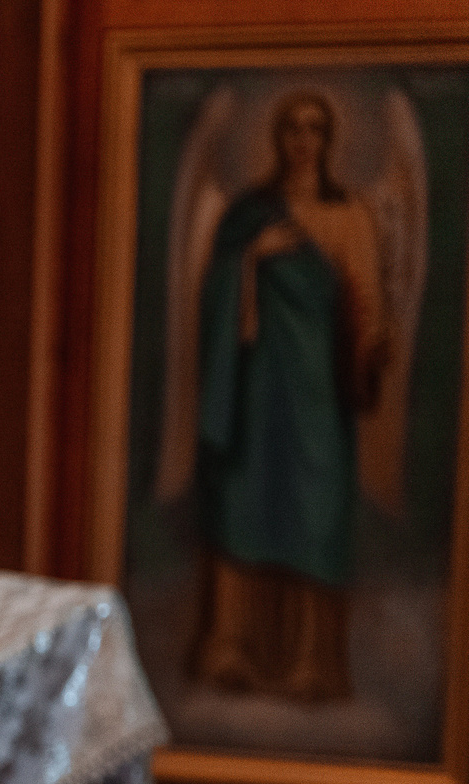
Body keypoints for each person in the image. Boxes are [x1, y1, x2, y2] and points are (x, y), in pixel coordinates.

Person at [189, 90, 387, 702]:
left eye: (316, 129)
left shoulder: (349, 213)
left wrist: (369, 348)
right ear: (278, 138)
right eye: (294, 129)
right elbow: (214, 296)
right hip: (255, 390)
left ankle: (312, 663)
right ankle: (234, 648)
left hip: (318, 395)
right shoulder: (249, 214)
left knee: (315, 511)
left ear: (329, 141)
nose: (305, 141)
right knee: (248, 502)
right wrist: (250, 260)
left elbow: (369, 303)